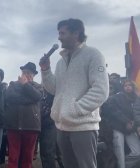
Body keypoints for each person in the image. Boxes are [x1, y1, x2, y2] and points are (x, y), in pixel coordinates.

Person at [39, 18, 109, 168]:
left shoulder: (93, 55)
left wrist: (74, 109)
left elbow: (101, 90)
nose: (59, 37)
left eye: (62, 33)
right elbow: (54, 89)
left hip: (83, 127)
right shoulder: (60, 62)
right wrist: (45, 71)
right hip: (63, 127)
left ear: (76, 33)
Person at [5, 62, 42, 168]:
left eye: (30, 73)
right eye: (25, 72)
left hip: (31, 126)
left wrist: (25, 85)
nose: (26, 75)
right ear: (21, 73)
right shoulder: (12, 84)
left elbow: (37, 97)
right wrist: (28, 99)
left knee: (28, 157)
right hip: (13, 125)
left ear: (34, 75)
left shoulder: (38, 87)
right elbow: (9, 97)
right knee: (13, 156)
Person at [102, 80, 140, 168]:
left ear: (133, 87)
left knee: (137, 152)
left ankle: (124, 165)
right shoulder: (116, 97)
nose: (127, 87)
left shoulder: (136, 99)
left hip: (130, 128)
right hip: (118, 127)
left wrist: (136, 124)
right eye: (125, 85)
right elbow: (114, 111)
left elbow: (137, 113)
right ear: (122, 87)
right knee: (119, 152)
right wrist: (126, 121)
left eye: (129, 85)